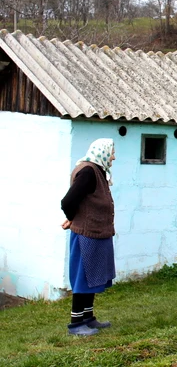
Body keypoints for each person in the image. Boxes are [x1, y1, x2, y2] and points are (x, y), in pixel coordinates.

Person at [60, 138, 117, 336]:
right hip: (87, 234)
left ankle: (88, 318)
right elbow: (68, 201)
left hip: (96, 233)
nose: (114, 156)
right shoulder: (87, 172)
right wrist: (72, 218)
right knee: (83, 277)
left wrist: (74, 218)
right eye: (111, 152)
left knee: (93, 277)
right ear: (102, 152)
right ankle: (76, 324)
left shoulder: (96, 170)